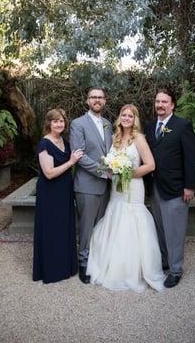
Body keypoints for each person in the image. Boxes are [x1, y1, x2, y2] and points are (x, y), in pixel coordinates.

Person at [87, 104, 165, 293]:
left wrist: (128, 173)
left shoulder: (139, 139)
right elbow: (109, 163)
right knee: (116, 215)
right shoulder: (114, 138)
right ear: (119, 117)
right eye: (124, 115)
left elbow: (151, 165)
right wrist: (113, 169)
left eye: (130, 116)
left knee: (131, 221)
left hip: (133, 186)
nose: (126, 118)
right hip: (116, 188)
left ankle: (133, 269)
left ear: (135, 119)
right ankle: (111, 265)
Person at [145, 87, 195, 288]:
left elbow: (192, 158)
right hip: (156, 187)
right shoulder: (151, 126)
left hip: (176, 188)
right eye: (158, 101)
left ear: (172, 105)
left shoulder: (182, 125)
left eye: (164, 102)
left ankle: (176, 270)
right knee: (160, 228)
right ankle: (165, 261)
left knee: (175, 231)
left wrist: (190, 186)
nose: (160, 105)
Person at [33, 108, 83, 284]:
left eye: (61, 121)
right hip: (50, 192)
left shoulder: (64, 141)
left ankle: (65, 266)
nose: (59, 124)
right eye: (55, 121)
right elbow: (49, 173)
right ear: (49, 123)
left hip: (64, 191)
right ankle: (51, 270)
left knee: (63, 227)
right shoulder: (44, 144)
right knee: (51, 229)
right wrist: (71, 162)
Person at [69, 87, 112, 284]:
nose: (97, 100)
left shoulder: (108, 124)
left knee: (100, 226)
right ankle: (83, 263)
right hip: (87, 185)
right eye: (93, 97)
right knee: (86, 227)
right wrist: (104, 172)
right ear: (87, 101)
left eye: (100, 97)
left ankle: (97, 260)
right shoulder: (78, 124)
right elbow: (79, 155)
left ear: (105, 101)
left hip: (107, 186)